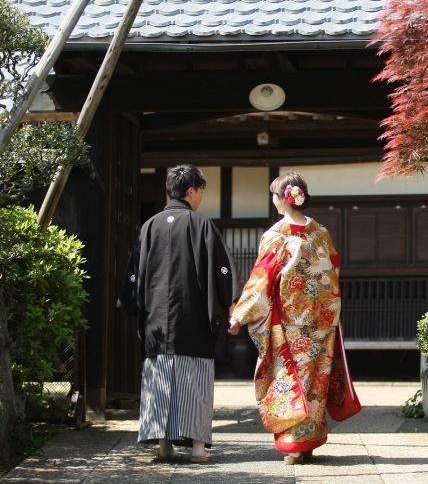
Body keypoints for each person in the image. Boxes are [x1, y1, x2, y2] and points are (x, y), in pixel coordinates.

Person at [117, 164, 242, 463]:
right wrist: (231, 305)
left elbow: (135, 275)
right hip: (193, 320)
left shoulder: (149, 226)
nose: (200, 197)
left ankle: (164, 446)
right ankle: (198, 448)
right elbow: (222, 271)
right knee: (194, 380)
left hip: (156, 321)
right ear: (190, 191)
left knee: (160, 379)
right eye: (200, 191)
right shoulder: (201, 226)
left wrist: (139, 316)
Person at [228, 171, 352, 465]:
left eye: (274, 195)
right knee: (314, 380)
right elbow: (333, 271)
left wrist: (240, 315)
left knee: (289, 381)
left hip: (290, 322)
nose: (272, 200)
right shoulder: (321, 232)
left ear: (283, 199)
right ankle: (307, 441)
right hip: (323, 319)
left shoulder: (277, 235)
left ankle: (294, 445)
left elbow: (262, 278)